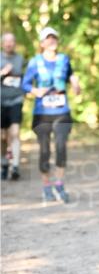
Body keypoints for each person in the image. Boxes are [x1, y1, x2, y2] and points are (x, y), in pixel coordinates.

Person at [22, 27, 81, 204]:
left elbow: (71, 76)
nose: (52, 41)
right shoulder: (35, 62)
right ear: (42, 43)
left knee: (61, 147)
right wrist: (34, 90)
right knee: (45, 150)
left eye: (54, 37)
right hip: (42, 113)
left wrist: (75, 84)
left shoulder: (64, 60)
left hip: (61, 111)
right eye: (48, 38)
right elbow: (25, 84)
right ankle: (46, 185)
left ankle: (60, 184)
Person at [1, 32, 25, 181]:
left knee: (15, 133)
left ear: (15, 43)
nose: (9, 44)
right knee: (2, 137)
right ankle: (3, 163)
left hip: (16, 100)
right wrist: (3, 72)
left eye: (12, 41)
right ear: (2, 43)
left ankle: (15, 165)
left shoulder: (21, 59)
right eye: (6, 42)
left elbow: (26, 78)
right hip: (0, 102)